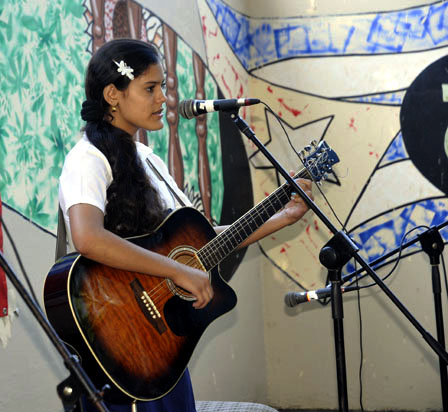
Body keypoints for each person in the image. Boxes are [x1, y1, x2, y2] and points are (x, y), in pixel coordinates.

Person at [58, 38, 313, 412]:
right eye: (150, 88)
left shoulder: (148, 158)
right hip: (120, 350)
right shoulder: (87, 159)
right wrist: (177, 270)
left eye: (163, 87)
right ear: (113, 95)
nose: (163, 99)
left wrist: (284, 216)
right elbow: (88, 237)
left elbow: (204, 239)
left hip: (162, 348)